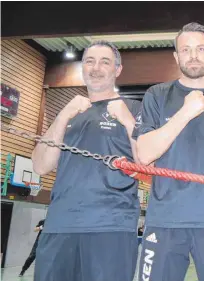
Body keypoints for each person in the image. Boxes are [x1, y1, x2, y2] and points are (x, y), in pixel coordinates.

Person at [133, 22, 204, 281]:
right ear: (176, 56)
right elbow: (144, 154)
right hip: (165, 220)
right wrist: (185, 112)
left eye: (200, 49)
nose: (193, 55)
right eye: (185, 50)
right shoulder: (157, 95)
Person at [32, 41, 141, 281]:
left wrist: (128, 121)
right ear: (83, 67)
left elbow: (147, 163)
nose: (96, 67)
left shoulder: (133, 108)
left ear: (117, 70)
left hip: (111, 227)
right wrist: (62, 116)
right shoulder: (69, 112)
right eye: (89, 61)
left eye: (105, 62)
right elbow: (41, 165)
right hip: (60, 225)